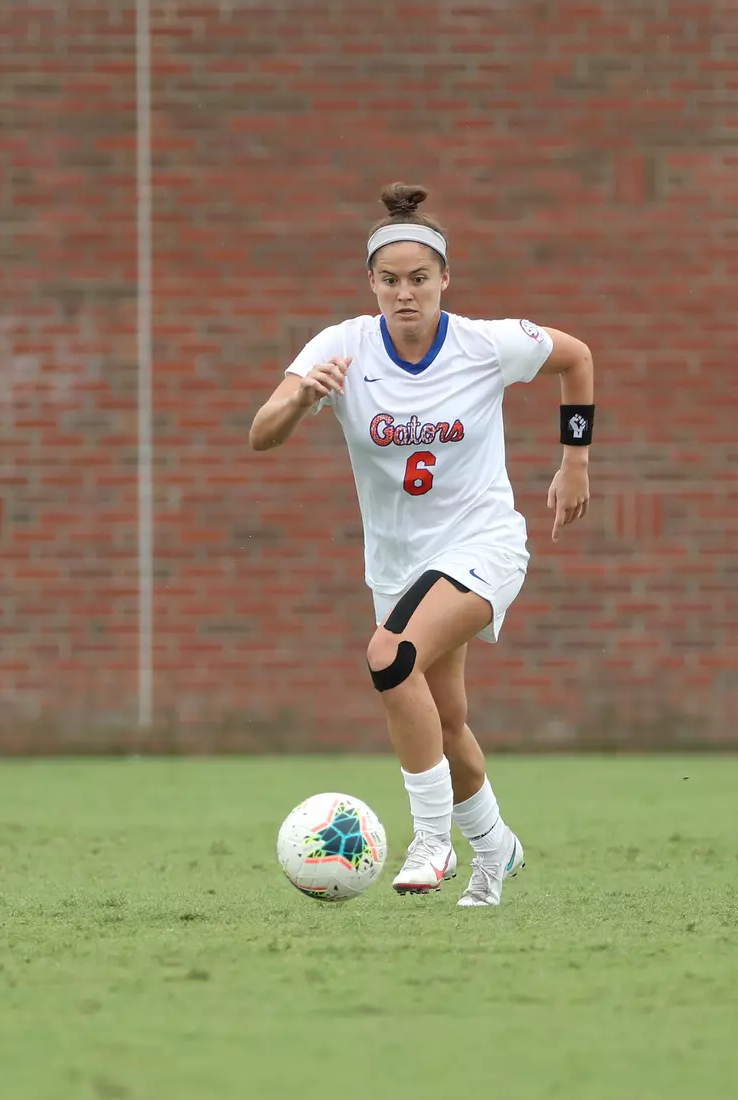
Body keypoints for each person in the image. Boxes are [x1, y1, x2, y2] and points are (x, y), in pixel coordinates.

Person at [249, 183, 593, 907]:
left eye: (418, 278)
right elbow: (261, 433)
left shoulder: (485, 344)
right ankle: (495, 849)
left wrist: (575, 461)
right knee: (446, 722)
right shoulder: (340, 347)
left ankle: (432, 840)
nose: (404, 294)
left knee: (389, 655)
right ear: (371, 283)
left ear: (444, 278)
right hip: (398, 566)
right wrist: (301, 397)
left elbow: (576, 357)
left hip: (484, 544)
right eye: (389, 280)